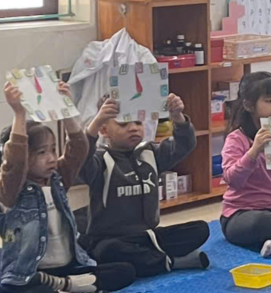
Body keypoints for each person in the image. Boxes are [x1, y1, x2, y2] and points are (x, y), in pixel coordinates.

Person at [0, 78, 135, 293]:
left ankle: (66, 289)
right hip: (30, 275)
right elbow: (14, 161)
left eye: (52, 150)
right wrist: (19, 113)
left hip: (69, 268)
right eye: (41, 153)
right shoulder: (10, 191)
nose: (51, 158)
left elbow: (78, 148)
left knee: (126, 271)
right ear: (25, 157)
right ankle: (77, 291)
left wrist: (66, 108)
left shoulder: (57, 179)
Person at [77, 90, 210, 276]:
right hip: (111, 240)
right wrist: (96, 122)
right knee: (106, 251)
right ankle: (171, 262)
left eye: (138, 122)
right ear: (104, 130)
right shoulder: (99, 161)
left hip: (148, 236)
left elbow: (184, 145)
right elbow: (80, 158)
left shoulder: (150, 153)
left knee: (200, 229)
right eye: (123, 124)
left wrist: (177, 117)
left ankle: (149, 258)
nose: (133, 128)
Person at [220, 72, 271, 256]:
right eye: (269, 101)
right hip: (241, 214)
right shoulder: (237, 138)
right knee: (262, 222)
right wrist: (254, 151)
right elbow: (232, 179)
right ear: (249, 105)